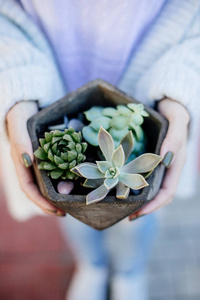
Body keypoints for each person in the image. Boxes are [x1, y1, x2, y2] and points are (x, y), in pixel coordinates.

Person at [1, 0, 199, 299]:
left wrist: (179, 83)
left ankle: (130, 272)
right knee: (69, 210)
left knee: (143, 212)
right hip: (47, 77)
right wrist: (16, 76)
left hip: (152, 74)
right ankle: (92, 266)